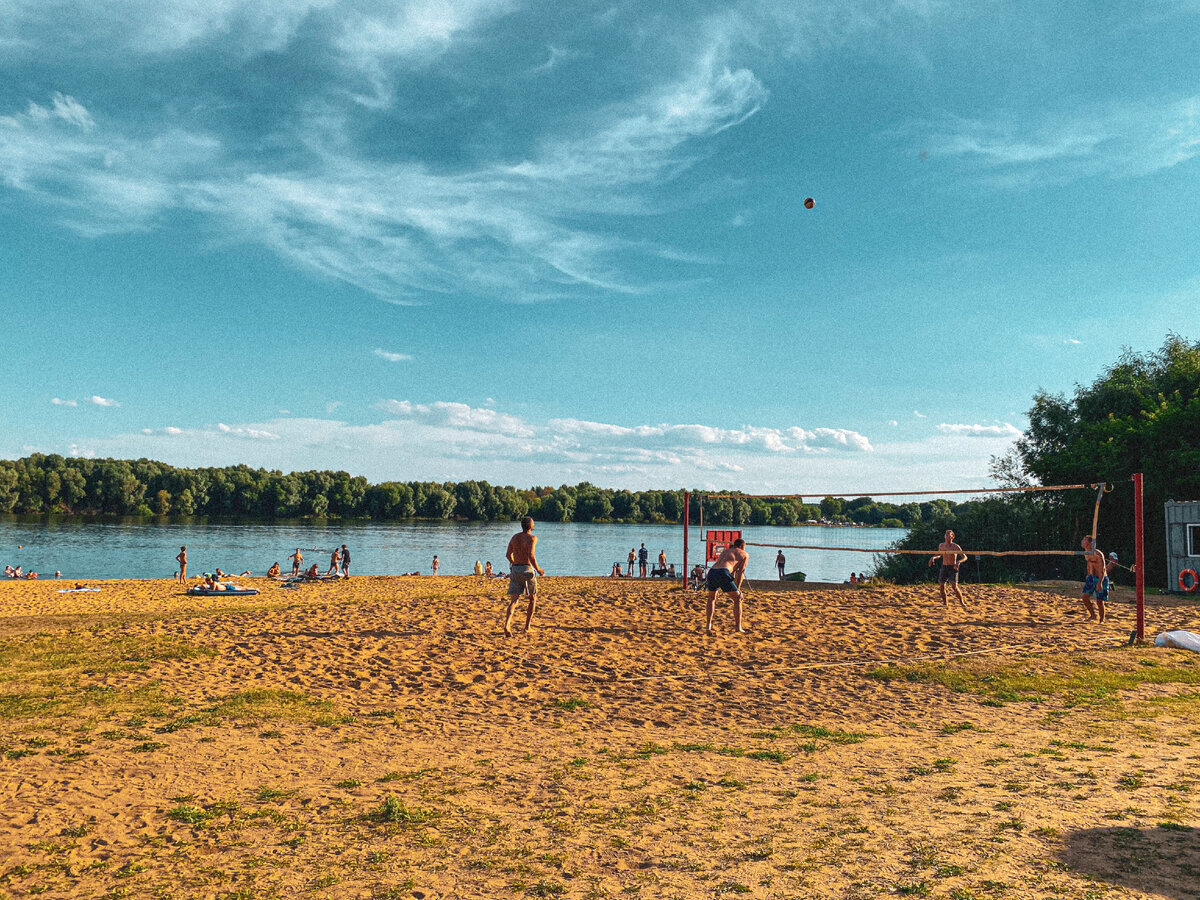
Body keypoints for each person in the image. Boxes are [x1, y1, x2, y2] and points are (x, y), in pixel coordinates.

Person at [503, 516, 544, 637]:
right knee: (532, 598)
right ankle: (527, 627)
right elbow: (531, 555)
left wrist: (513, 563)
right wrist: (539, 569)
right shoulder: (532, 538)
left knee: (514, 600)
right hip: (527, 569)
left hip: (516, 569)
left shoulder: (515, 537)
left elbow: (508, 555)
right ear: (530, 526)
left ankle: (507, 624)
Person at [705, 538, 748, 634]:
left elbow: (728, 567)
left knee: (711, 598)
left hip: (712, 572)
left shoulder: (725, 551)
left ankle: (708, 625)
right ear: (742, 546)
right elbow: (740, 573)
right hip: (723, 572)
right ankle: (738, 627)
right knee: (738, 599)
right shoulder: (744, 554)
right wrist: (738, 588)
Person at [928, 530, 968, 608]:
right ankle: (945, 603)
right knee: (942, 585)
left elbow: (965, 557)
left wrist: (958, 562)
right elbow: (939, 555)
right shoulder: (941, 545)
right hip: (944, 567)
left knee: (954, 586)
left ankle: (962, 602)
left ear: (952, 536)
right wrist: (933, 558)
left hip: (952, 567)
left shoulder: (955, 546)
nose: (947, 536)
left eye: (949, 535)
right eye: (946, 534)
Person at [1081, 536, 1109, 623]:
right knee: (1085, 597)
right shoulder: (1086, 553)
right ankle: (1093, 615)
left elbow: (1102, 569)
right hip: (1091, 578)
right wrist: (1088, 575)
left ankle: (1101, 619)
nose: (1082, 541)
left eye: (1084, 540)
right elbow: (1089, 565)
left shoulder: (1097, 553)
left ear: (1089, 543)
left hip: (1101, 578)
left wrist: (1100, 582)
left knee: (1099, 601)